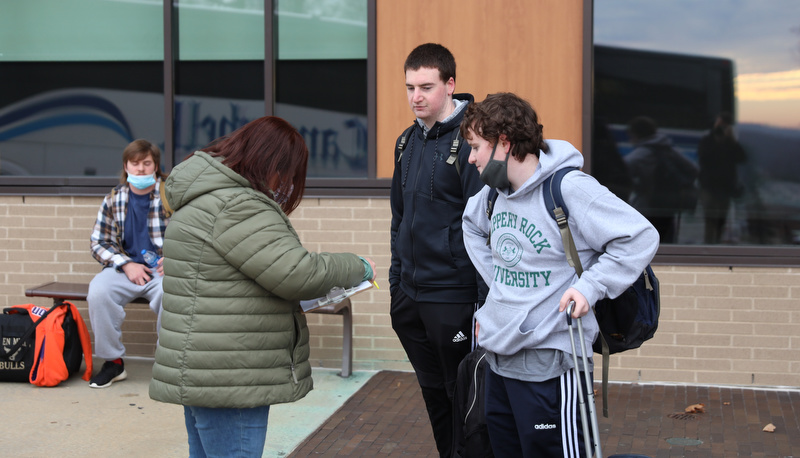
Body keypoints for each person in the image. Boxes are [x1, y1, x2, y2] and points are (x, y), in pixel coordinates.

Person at [148, 116, 377, 457]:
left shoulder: (203, 196)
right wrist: (357, 266)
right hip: (231, 374)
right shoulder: (238, 205)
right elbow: (296, 272)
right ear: (273, 164)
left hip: (207, 368)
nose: (287, 183)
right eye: (289, 173)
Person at [460, 93, 659, 457]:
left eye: (476, 147)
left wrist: (590, 287)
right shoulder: (492, 195)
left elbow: (640, 236)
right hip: (498, 360)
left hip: (551, 363)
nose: (471, 158)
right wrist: (500, 292)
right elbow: (470, 226)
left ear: (504, 143)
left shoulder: (569, 188)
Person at [389, 43, 487, 457]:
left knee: (464, 397)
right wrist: (396, 283)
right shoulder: (405, 142)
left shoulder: (472, 143)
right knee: (434, 396)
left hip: (453, 296)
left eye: (426, 86)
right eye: (410, 87)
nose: (416, 97)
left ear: (450, 85)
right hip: (411, 297)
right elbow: (398, 217)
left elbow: (487, 230)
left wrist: (484, 304)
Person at [87, 139, 169, 388]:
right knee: (98, 293)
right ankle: (113, 362)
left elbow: (194, 233)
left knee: (173, 295)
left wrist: (176, 257)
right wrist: (125, 264)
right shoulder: (114, 199)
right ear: (126, 166)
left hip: (164, 270)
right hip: (125, 269)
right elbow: (99, 242)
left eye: (147, 163)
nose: (141, 169)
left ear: (155, 166)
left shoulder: (171, 197)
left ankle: (168, 363)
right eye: (135, 163)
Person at [624, 116, 698, 243]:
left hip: (647, 205)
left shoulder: (641, 154)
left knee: (646, 243)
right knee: (667, 243)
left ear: (636, 134)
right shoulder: (669, 150)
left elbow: (622, 171)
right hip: (669, 205)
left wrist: (638, 186)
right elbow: (693, 169)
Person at [697, 111, 747, 244]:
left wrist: (731, 140)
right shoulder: (707, 140)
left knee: (720, 219)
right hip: (709, 185)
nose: (721, 128)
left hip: (725, 186)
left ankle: (716, 243)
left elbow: (741, 158)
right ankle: (708, 243)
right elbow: (705, 158)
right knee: (710, 217)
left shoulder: (730, 143)